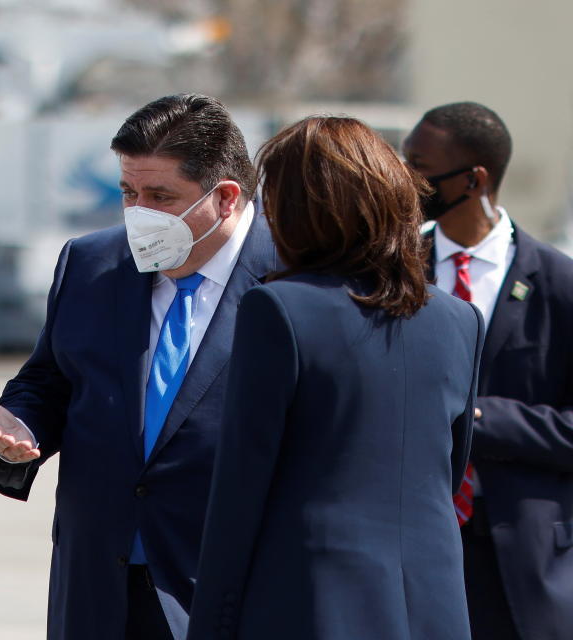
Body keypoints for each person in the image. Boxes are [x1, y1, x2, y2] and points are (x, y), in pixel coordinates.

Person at [0, 93, 278, 640]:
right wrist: (22, 422)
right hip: (100, 585)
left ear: (226, 198)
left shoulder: (292, 277)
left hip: (229, 584)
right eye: (129, 193)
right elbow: (49, 378)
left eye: (161, 196)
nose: (140, 214)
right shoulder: (91, 263)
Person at [187, 116, 483, 640]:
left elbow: (239, 491)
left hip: (312, 601)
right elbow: (448, 471)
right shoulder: (459, 319)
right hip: (435, 603)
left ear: (300, 212)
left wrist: (211, 624)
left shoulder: (277, 309)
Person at [404, 102, 573, 640]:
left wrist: (477, 417)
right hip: (415, 546)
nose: (404, 180)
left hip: (522, 560)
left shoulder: (558, 285)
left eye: (418, 166)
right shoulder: (395, 270)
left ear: (473, 179)